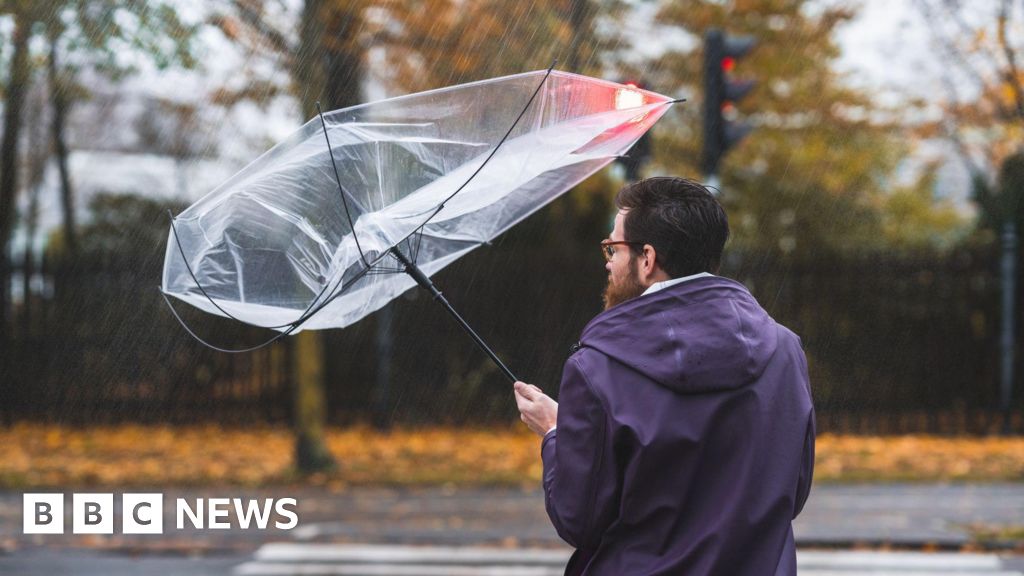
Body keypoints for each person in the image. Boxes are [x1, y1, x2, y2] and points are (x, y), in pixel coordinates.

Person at [514, 176, 815, 575]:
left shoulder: (599, 369)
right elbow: (790, 494)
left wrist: (555, 434)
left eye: (613, 248)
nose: (608, 260)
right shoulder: (785, 350)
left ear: (648, 259)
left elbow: (579, 519)